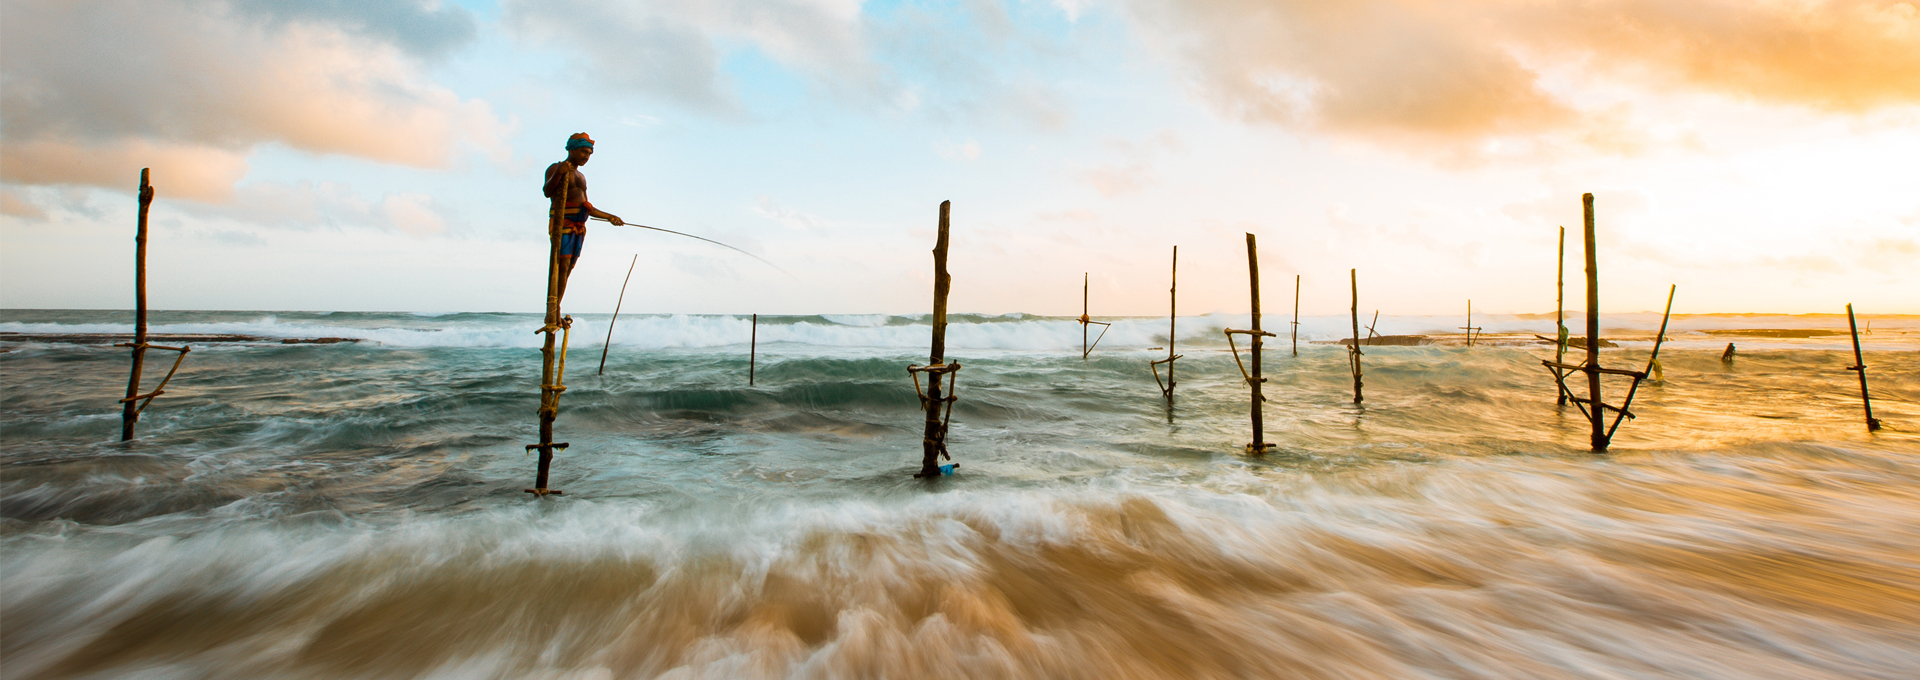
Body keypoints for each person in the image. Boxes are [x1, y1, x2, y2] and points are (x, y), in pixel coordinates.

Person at [543, 132, 624, 303]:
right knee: (561, 265)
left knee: (569, 266)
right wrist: (559, 173)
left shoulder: (581, 177)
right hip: (562, 223)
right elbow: (547, 192)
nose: (587, 157)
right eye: (583, 152)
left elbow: (587, 206)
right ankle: (553, 309)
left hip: (579, 226)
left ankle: (557, 305)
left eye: (589, 154)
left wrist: (610, 217)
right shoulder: (555, 167)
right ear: (572, 150)